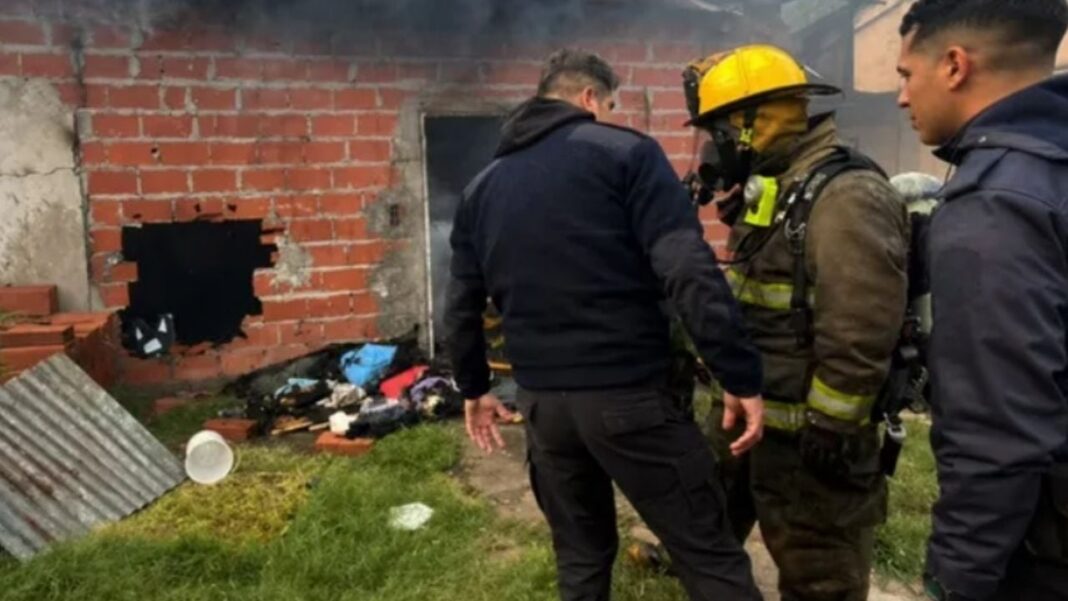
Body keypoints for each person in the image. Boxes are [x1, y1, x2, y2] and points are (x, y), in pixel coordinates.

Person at [445, 49, 765, 601]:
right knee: (708, 555)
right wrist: (738, 372)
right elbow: (686, 269)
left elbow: (461, 304)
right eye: (611, 105)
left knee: (581, 558)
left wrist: (473, 387)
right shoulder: (627, 155)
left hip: (543, 408)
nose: (612, 115)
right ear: (590, 98)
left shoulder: (482, 188)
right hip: (630, 400)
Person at [684, 45, 910, 600]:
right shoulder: (781, 185)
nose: (713, 146)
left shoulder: (846, 197)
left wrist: (831, 429)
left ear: (755, 124)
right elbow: (759, 289)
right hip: (754, 415)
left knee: (818, 574)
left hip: (812, 440)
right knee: (709, 518)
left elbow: (859, 331)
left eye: (718, 131)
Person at [896, 1, 1068, 599]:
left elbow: (1000, 429)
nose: (900, 97)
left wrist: (956, 581)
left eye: (904, 75)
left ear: (953, 65)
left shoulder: (996, 204)